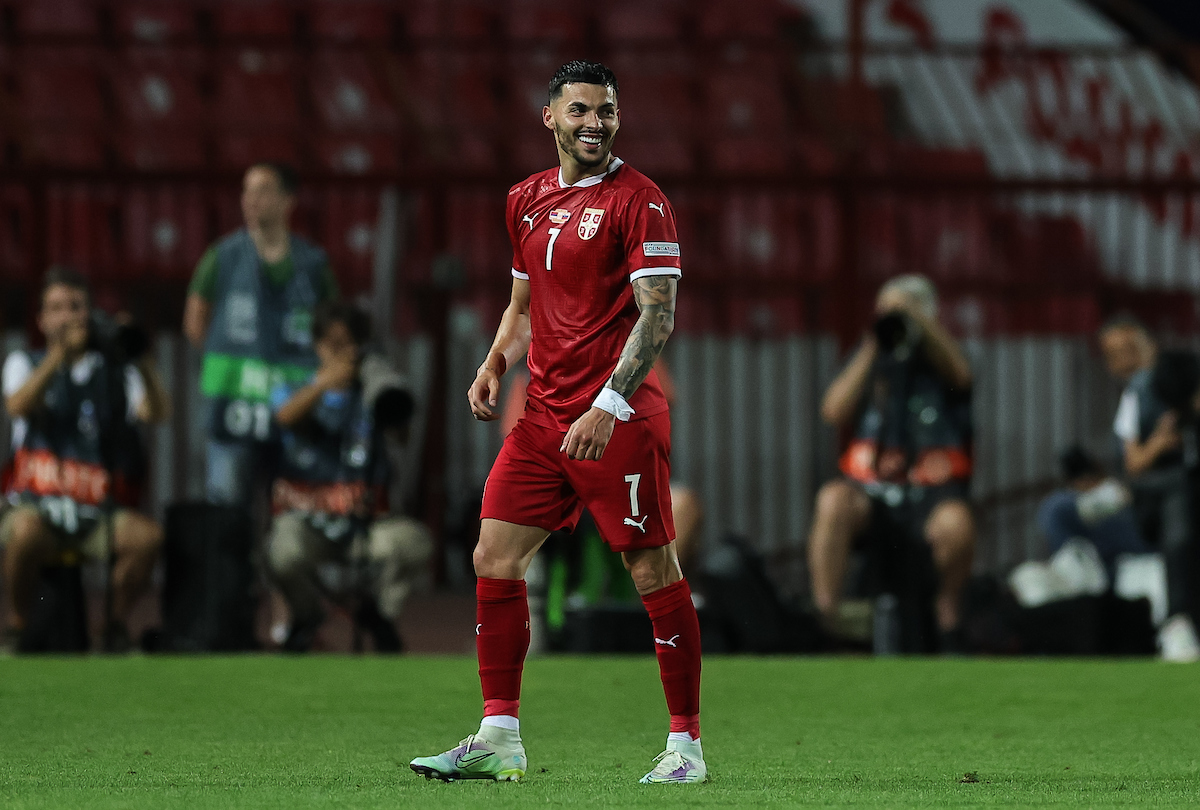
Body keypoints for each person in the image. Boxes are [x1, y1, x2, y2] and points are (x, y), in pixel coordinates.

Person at [410, 61, 704, 785]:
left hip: (618, 418)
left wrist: (608, 405)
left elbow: (658, 317)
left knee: (651, 569)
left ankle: (686, 748)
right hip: (543, 418)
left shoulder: (644, 203)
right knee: (493, 557)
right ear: (550, 118)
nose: (594, 124)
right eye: (579, 111)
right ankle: (499, 736)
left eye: (605, 111)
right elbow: (522, 308)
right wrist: (493, 364)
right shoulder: (525, 199)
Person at [1, 266, 169, 650]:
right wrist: (57, 358)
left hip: (95, 510)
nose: (66, 316)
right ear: (41, 320)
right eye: (56, 308)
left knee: (146, 540)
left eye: (75, 307)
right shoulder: (24, 362)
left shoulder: (112, 370)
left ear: (89, 314)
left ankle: (110, 627)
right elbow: (18, 404)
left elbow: (156, 413)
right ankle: (18, 625)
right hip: (37, 506)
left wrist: (141, 360)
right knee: (23, 534)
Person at [808, 274, 975, 648]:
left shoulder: (944, 354)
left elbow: (962, 377)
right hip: (871, 494)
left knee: (958, 525)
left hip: (932, 495)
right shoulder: (872, 354)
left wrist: (922, 326)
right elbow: (833, 410)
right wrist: (873, 343)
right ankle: (826, 618)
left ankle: (947, 618)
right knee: (832, 500)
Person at [266, 301, 430, 653]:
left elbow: (402, 435)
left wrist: (381, 387)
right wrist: (324, 384)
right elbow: (284, 417)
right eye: (333, 344)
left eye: (349, 344)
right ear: (318, 345)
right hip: (311, 522)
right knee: (282, 548)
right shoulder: (298, 384)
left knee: (411, 543)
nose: (342, 354)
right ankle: (307, 616)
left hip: (364, 525)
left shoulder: (371, 391)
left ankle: (378, 614)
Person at [182, 163, 339, 507]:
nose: (252, 199)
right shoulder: (221, 257)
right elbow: (195, 323)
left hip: (296, 413)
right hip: (232, 412)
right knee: (226, 509)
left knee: (298, 510)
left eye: (263, 190)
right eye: (247, 190)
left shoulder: (313, 263)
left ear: (288, 201)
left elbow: (334, 327)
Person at [1100, 315, 1199, 660]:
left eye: (1129, 348)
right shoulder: (1137, 396)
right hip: (1155, 501)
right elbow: (1134, 464)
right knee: (1180, 499)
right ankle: (1177, 620)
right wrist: (1160, 442)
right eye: (1114, 353)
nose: (1123, 359)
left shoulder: (1182, 382)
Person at [1036, 446, 1146, 576]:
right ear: (1086, 478)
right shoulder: (1065, 505)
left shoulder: (1053, 504)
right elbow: (1118, 498)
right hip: (1086, 572)